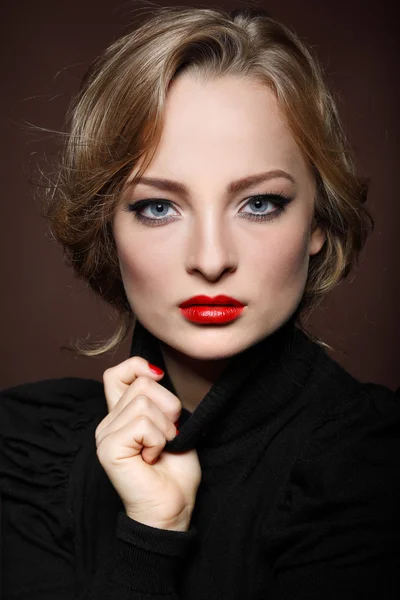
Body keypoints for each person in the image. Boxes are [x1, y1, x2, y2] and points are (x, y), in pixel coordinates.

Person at [0, 4, 399, 599]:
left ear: (319, 218)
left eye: (259, 203)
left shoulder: (373, 472)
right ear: (107, 225)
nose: (211, 259)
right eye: (157, 206)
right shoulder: (28, 451)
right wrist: (150, 532)